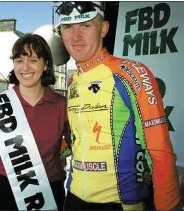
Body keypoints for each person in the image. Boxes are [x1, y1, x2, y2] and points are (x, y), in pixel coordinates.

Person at [55, 1, 181, 210]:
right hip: (74, 199)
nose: (75, 36)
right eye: (68, 27)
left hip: (119, 203)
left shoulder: (131, 73)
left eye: (85, 25)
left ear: (103, 28)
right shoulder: (73, 80)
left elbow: (160, 152)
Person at [0, 34, 71, 210]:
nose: (25, 67)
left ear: (46, 65)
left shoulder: (62, 105)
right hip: (5, 193)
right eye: (19, 60)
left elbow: (78, 148)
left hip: (48, 193)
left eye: (33, 60)